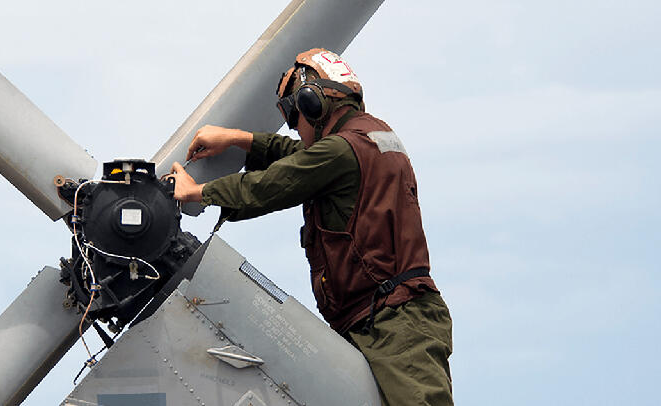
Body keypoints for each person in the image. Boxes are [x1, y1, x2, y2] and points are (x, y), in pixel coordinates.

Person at [165, 48, 453, 406]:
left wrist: (198, 192)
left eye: (292, 115)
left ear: (312, 104)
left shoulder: (341, 151)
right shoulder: (367, 137)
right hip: (380, 320)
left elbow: (277, 182)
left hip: (395, 326)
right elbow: (301, 156)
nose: (294, 128)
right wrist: (241, 140)